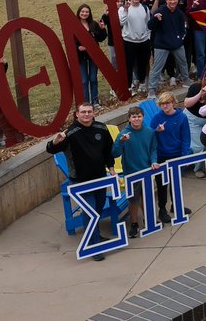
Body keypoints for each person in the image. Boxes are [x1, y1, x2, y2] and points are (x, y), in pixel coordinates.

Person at [46, 103, 115, 261]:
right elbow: (50, 149)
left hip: (100, 178)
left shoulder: (101, 128)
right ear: (77, 114)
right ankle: (94, 247)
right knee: (89, 212)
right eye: (83, 112)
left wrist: (111, 167)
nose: (86, 114)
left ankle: (94, 236)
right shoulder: (69, 133)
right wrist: (56, 141)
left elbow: (108, 151)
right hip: (81, 182)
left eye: (89, 111)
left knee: (96, 210)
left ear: (93, 113)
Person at [113, 105, 157, 239]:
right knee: (133, 200)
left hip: (147, 171)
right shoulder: (123, 135)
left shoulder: (149, 132)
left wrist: (154, 161)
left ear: (143, 118)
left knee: (147, 197)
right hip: (131, 173)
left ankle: (149, 220)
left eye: (139, 116)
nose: (136, 119)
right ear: (129, 119)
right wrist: (121, 142)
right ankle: (134, 224)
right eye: (134, 117)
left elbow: (153, 149)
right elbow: (115, 154)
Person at [152, 93, 192, 219]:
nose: (165, 106)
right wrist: (156, 131)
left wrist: (185, 155)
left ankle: (176, 205)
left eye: (167, 103)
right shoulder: (156, 118)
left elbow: (186, 138)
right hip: (161, 155)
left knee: (176, 182)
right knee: (161, 184)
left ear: (173, 103)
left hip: (176, 155)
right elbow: (149, 137)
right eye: (162, 104)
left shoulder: (182, 117)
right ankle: (162, 209)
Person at [148, 0, 188, 99]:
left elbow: (183, 28)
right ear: (166, 1)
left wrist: (180, 39)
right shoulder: (160, 11)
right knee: (157, 67)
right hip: (161, 45)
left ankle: (186, 81)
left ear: (178, 1)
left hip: (177, 44)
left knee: (183, 63)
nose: (172, 2)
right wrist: (155, 19)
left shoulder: (179, 13)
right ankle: (151, 89)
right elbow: (150, 26)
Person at [73, 4, 108, 107]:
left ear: (89, 13)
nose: (84, 13)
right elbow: (70, 41)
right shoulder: (74, 25)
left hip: (93, 55)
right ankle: (86, 103)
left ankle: (95, 101)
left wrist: (102, 29)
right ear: (79, 12)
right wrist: (78, 48)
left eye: (87, 12)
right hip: (80, 57)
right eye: (82, 11)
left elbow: (100, 38)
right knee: (84, 81)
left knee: (93, 78)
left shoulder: (93, 24)